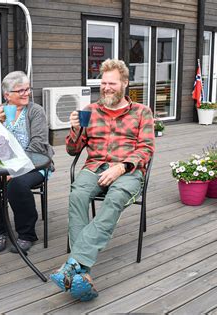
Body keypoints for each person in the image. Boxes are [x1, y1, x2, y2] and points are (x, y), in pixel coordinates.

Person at [49, 59, 154, 301]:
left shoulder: (141, 112)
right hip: (94, 167)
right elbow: (73, 150)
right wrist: (74, 128)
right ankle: (82, 273)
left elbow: (146, 149)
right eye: (103, 83)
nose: (106, 87)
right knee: (77, 195)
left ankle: (74, 264)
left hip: (127, 169)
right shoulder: (89, 111)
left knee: (115, 197)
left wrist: (120, 168)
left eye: (112, 83)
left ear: (125, 84)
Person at [0, 71, 54, 254]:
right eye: (20, 90)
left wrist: (15, 169)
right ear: (7, 95)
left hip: (34, 164)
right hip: (1, 165)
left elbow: (38, 145)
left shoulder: (35, 111)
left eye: (28, 89)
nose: (26, 93)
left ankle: (26, 234)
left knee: (16, 184)